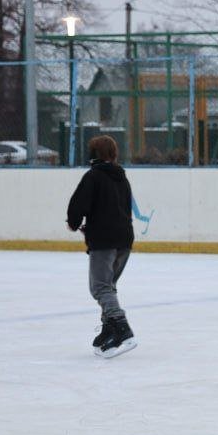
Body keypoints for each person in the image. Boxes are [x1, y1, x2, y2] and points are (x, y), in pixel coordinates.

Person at [67, 135, 138, 356]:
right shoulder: (122, 178)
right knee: (109, 286)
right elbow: (122, 209)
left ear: (94, 154)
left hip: (105, 241)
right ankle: (109, 328)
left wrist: (74, 223)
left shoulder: (93, 177)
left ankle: (121, 326)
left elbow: (78, 205)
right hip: (124, 239)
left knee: (99, 287)